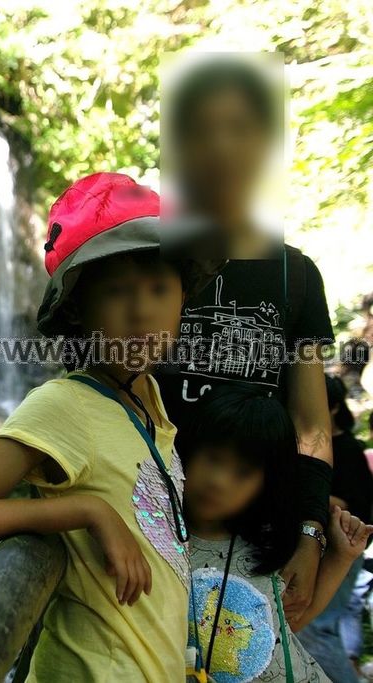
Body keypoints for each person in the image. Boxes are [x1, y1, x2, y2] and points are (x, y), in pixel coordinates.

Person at [0, 172, 220, 681]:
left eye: (159, 288)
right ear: (81, 311)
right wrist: (88, 509)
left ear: (181, 301)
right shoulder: (64, 404)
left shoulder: (148, 403)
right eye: (117, 292)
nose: (141, 311)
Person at [157, 56, 336, 627]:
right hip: (144, 522)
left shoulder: (295, 275)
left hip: (250, 543)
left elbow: (310, 424)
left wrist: (309, 533)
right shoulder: (147, 255)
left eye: (239, 128)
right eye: (202, 129)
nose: (221, 147)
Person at [177, 384, 372, 682]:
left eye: (242, 472)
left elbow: (290, 621)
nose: (219, 481)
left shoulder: (271, 541)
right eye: (213, 458)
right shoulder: (162, 540)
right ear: (189, 451)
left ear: (267, 482)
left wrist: (342, 557)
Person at [298, 375, 373, 682]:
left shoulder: (346, 450)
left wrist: (302, 487)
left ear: (331, 408)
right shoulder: (316, 445)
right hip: (321, 548)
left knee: (316, 629)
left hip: (343, 549)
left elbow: (352, 505)